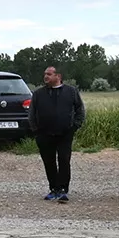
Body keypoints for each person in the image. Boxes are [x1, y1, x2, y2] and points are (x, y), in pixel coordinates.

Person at [31, 65, 84, 203]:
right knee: (49, 162)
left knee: (64, 160)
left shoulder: (71, 92)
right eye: (45, 74)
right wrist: (36, 131)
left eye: (49, 74)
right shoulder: (38, 94)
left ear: (58, 76)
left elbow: (80, 109)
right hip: (44, 134)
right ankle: (53, 188)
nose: (46, 77)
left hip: (65, 134)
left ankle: (62, 190)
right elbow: (31, 113)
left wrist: (75, 126)